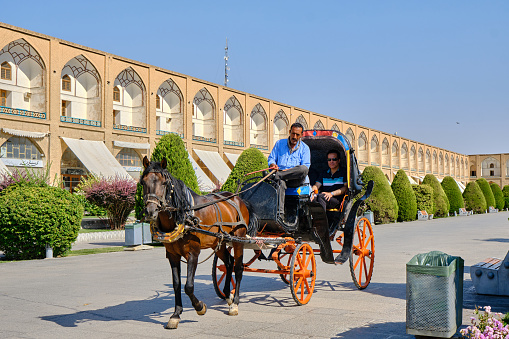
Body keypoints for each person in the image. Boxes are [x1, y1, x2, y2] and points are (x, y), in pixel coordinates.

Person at [267, 122, 311, 223]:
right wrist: (272, 165)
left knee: (303, 169)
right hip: (281, 180)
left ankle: (278, 175)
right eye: (293, 133)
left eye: (297, 135)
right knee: (280, 183)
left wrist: (282, 173)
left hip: (295, 179)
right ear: (289, 132)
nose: (294, 137)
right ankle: (280, 216)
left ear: (301, 135)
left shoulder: (305, 148)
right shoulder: (279, 144)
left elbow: (305, 167)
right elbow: (271, 158)